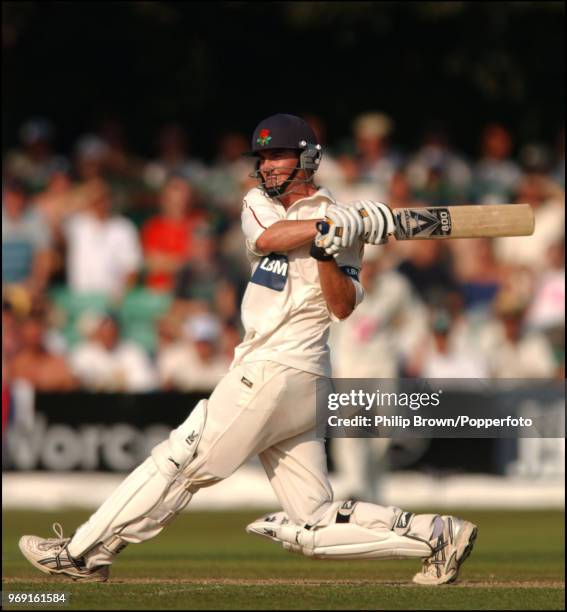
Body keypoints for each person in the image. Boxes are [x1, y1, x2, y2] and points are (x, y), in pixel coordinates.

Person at [19, 113, 477, 586]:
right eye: (263, 158)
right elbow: (266, 239)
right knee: (313, 520)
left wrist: (333, 247)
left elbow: (340, 306)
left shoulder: (345, 224)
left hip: (282, 370)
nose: (269, 167)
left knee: (179, 459)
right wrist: (332, 226)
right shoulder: (260, 203)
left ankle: (81, 552)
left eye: (278, 155)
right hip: (285, 375)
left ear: (307, 158)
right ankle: (437, 535)